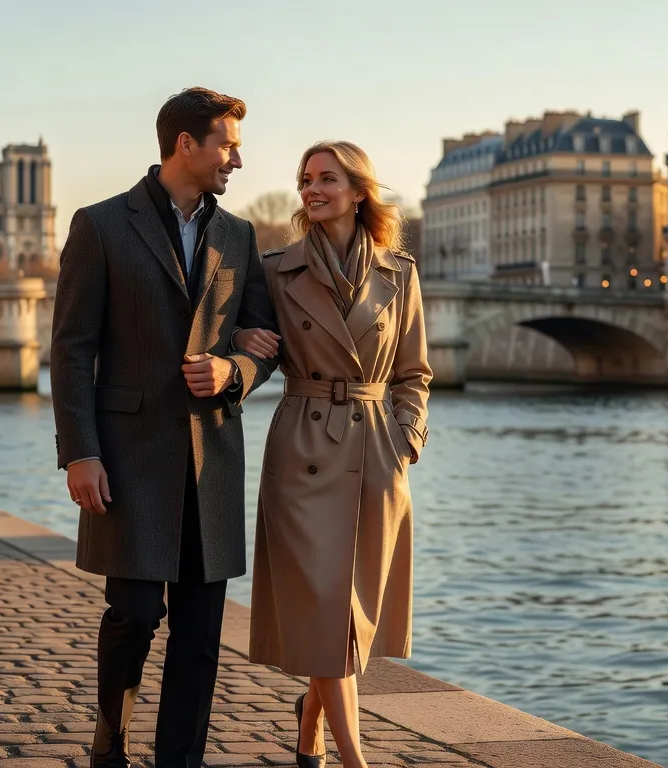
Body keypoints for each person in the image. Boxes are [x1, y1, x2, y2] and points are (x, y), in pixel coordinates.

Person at [49, 86, 279, 768]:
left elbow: (263, 337)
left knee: (202, 633)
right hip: (128, 455)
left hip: (211, 456)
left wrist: (234, 369)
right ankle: (110, 737)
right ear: (187, 144)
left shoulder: (239, 235)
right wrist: (78, 453)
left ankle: (179, 760)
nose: (236, 159)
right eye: (227, 144)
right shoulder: (100, 225)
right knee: (136, 613)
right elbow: (71, 350)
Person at [237, 141, 431, 768]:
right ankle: (356, 760)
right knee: (324, 611)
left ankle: (310, 724)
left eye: (326, 179)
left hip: (376, 445)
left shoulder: (400, 273)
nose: (311, 190)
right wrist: (242, 334)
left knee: (352, 618)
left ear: (357, 190)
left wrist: (406, 439)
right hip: (303, 448)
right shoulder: (274, 270)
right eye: (305, 180)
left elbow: (414, 373)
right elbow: (235, 331)